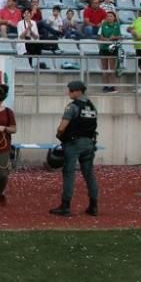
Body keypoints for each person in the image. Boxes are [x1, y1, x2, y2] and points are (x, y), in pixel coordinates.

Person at [50, 81, 99, 217]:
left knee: (69, 173)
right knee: (89, 174)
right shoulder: (92, 106)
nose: (69, 92)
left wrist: (60, 135)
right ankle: (93, 206)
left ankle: (65, 206)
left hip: (74, 144)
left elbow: (61, 127)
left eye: (71, 90)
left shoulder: (72, 107)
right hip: (89, 143)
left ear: (78, 91)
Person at [98, 11, 122, 93]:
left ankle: (112, 86)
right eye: (108, 16)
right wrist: (107, 39)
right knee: (104, 68)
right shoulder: (103, 25)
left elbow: (120, 36)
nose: (109, 18)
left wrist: (114, 37)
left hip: (113, 48)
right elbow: (100, 37)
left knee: (112, 68)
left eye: (111, 16)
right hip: (104, 48)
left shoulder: (117, 26)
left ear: (114, 18)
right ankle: (105, 86)